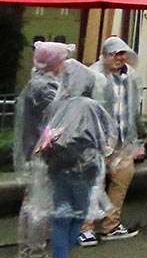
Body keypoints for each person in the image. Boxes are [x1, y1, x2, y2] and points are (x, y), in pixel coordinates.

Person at [27, 60, 115, 258]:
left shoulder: (55, 106)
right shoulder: (92, 107)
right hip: (85, 170)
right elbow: (104, 138)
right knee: (80, 213)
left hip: (57, 167)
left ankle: (61, 254)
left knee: (61, 214)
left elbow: (43, 134)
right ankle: (65, 250)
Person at [78, 37, 143, 246]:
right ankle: (85, 228)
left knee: (121, 180)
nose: (119, 58)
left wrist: (139, 137)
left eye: (122, 53)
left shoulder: (130, 77)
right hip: (96, 141)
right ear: (104, 55)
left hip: (122, 141)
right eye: (114, 54)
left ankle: (111, 224)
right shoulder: (93, 76)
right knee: (93, 183)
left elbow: (134, 110)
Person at [15, 42, 75, 258]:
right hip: (44, 154)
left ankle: (27, 249)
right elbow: (61, 115)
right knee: (39, 206)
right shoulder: (44, 88)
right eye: (63, 60)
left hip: (38, 151)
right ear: (53, 63)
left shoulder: (39, 83)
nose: (66, 65)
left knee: (32, 203)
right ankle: (34, 251)